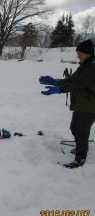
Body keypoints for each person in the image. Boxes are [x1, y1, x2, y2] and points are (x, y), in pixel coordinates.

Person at [39, 39, 95, 168]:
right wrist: (56, 82)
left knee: (81, 130)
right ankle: (80, 147)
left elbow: (79, 84)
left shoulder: (92, 67)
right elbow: (72, 79)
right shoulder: (85, 65)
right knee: (74, 128)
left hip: (90, 106)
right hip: (82, 104)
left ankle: (80, 159)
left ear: (88, 53)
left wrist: (59, 89)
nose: (78, 55)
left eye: (80, 53)